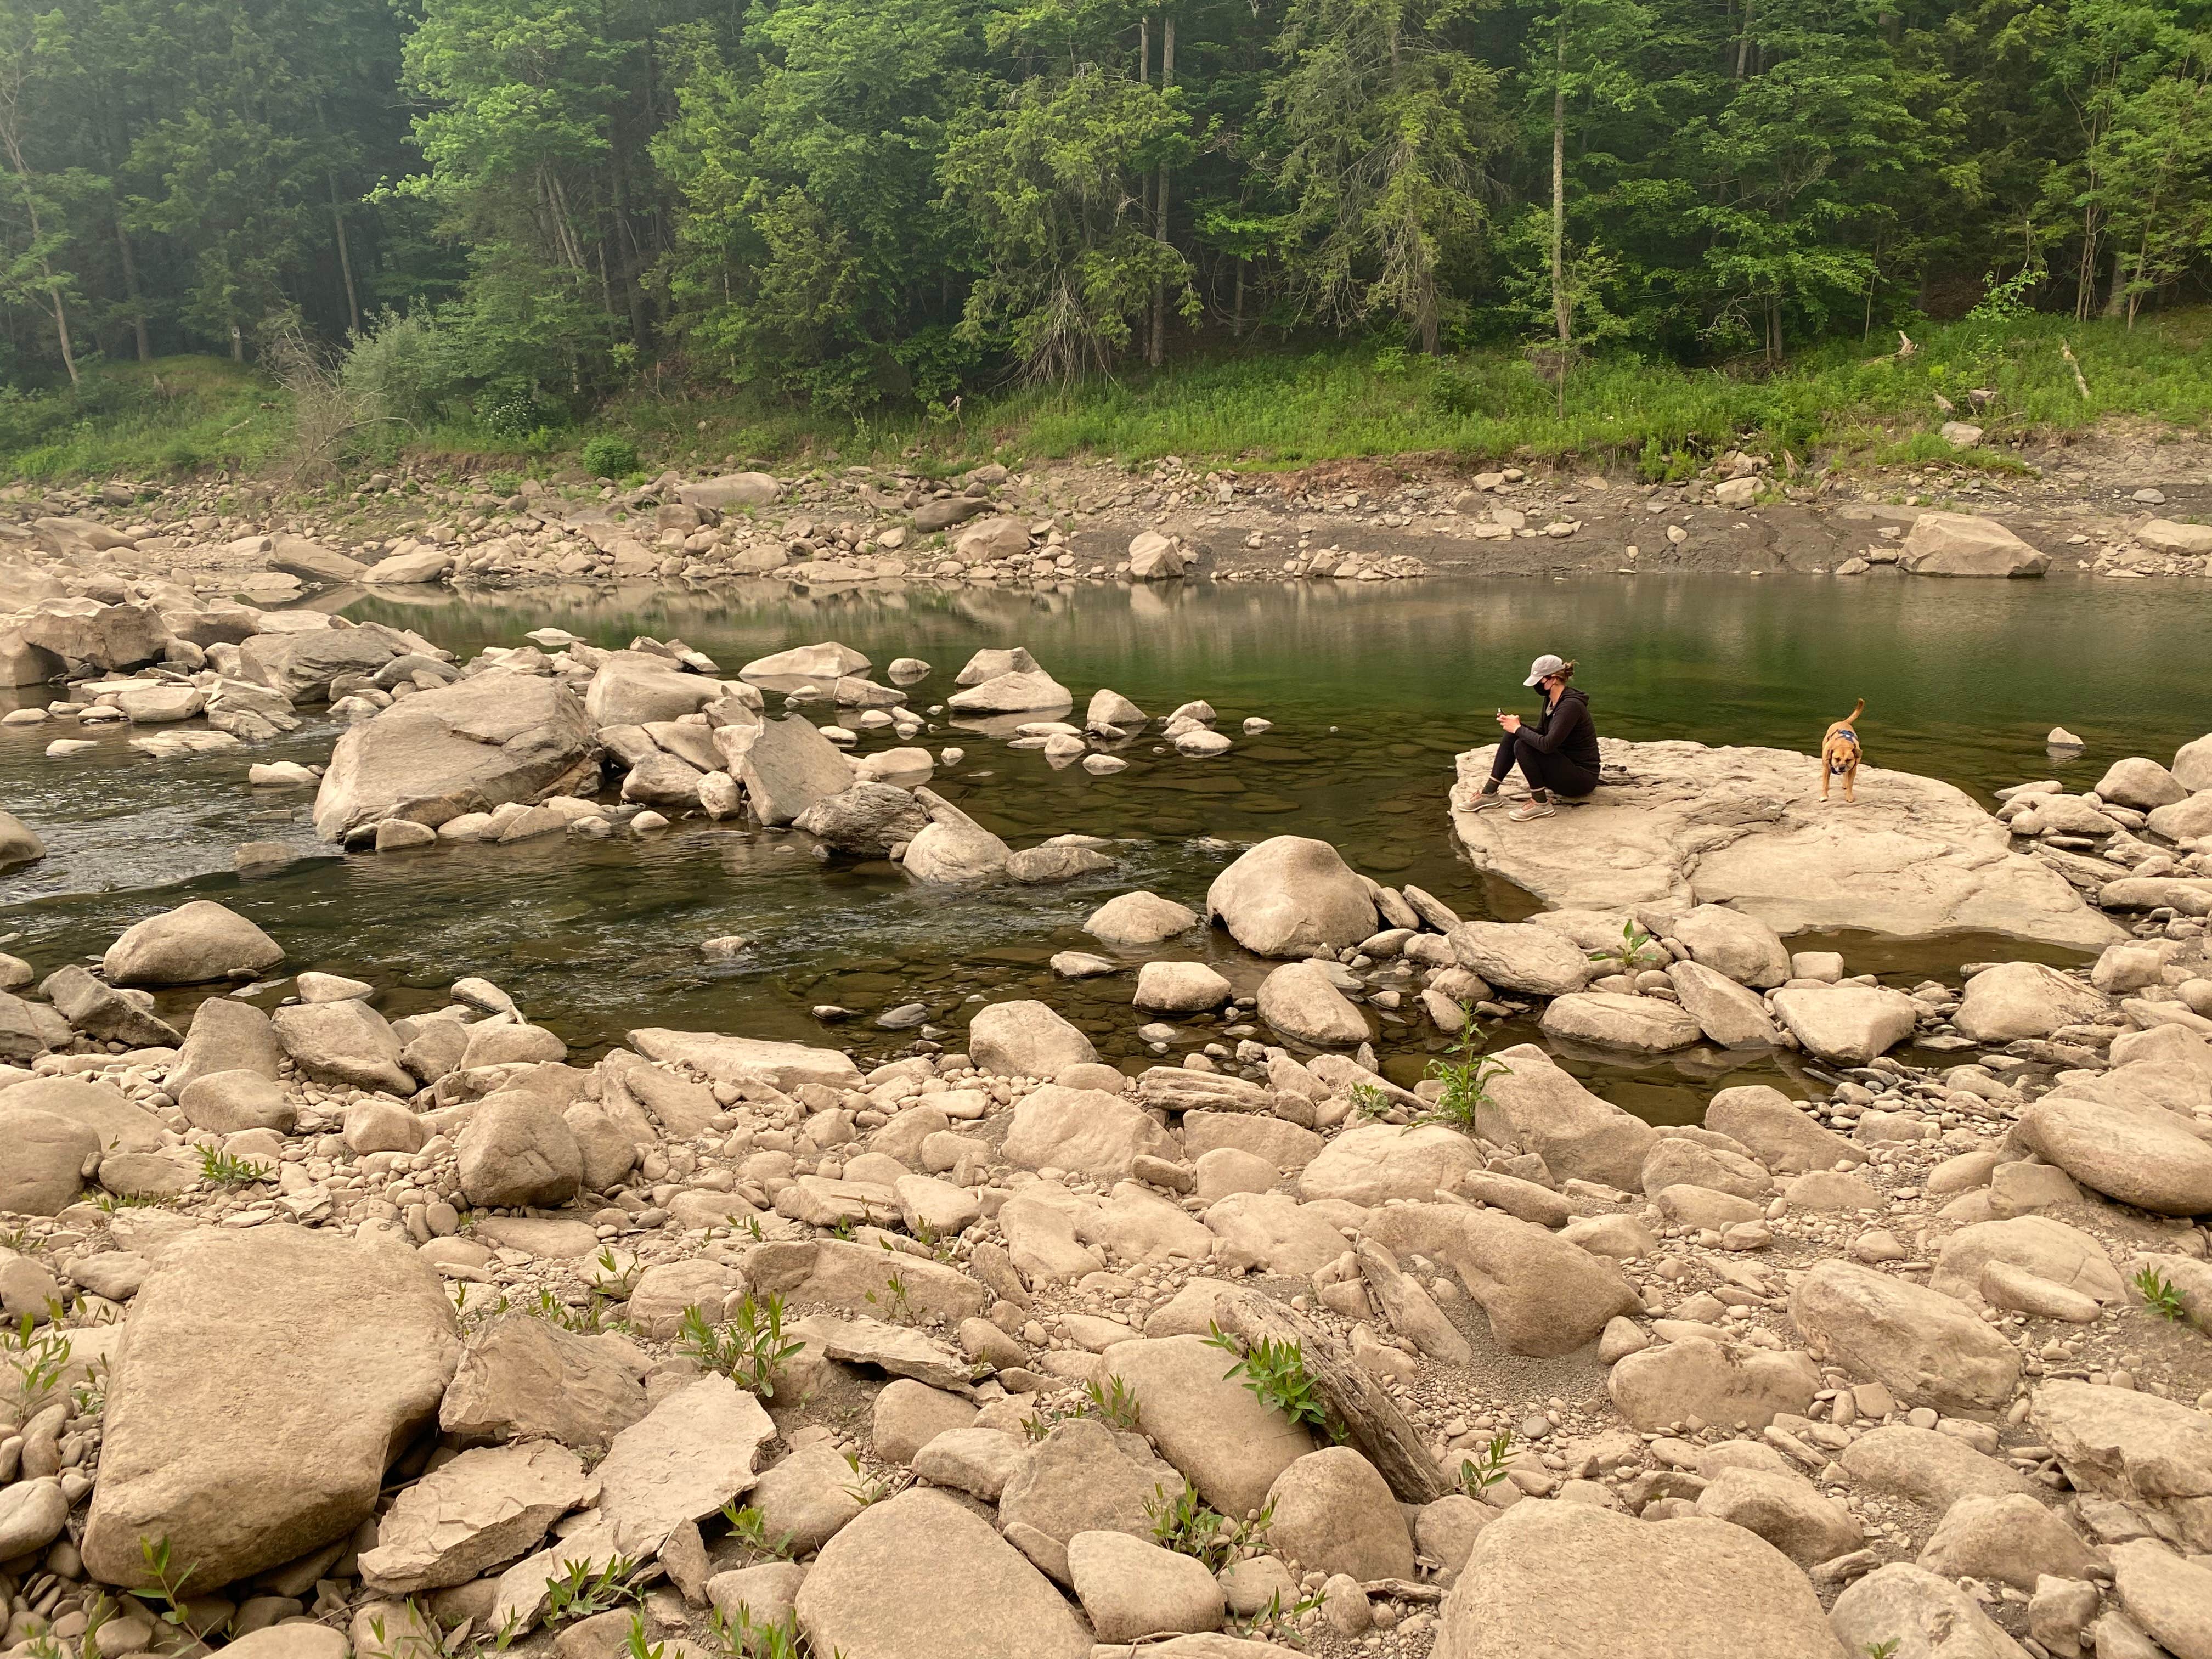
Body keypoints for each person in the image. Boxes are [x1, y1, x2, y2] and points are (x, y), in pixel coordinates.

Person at [1466, 653, 1599, 821]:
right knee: (1513, 735)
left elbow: (1547, 745)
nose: (1536, 686)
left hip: (1581, 780)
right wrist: (1515, 726)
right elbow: (1542, 734)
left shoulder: (1571, 705)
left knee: (1522, 744)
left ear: (1553, 679)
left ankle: (1540, 803)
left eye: (1539, 681)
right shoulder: (1551, 700)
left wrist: (1519, 729)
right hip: (1562, 767)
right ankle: (1489, 793)